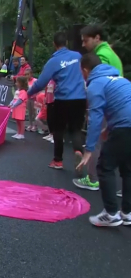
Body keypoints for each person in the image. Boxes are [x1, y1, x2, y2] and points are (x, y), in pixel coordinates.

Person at [76, 53, 131, 227]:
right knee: (128, 168)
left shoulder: (95, 85)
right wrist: (109, 129)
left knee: (105, 166)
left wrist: (89, 150)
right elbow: (122, 106)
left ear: (85, 70)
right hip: (125, 125)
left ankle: (111, 214)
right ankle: (127, 213)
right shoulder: (120, 79)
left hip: (124, 126)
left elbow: (95, 118)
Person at [74, 24, 124, 194]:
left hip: (113, 110)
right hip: (120, 109)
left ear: (97, 38)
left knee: (99, 146)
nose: (83, 45)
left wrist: (88, 150)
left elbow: (96, 117)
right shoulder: (110, 54)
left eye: (86, 40)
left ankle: (94, 178)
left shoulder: (100, 58)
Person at [27, 32, 87, 170]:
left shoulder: (53, 61)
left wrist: (28, 93)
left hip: (63, 99)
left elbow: (41, 83)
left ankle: (58, 161)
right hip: (80, 98)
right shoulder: (78, 56)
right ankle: (78, 151)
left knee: (59, 130)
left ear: (54, 44)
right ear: (66, 43)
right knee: (76, 129)